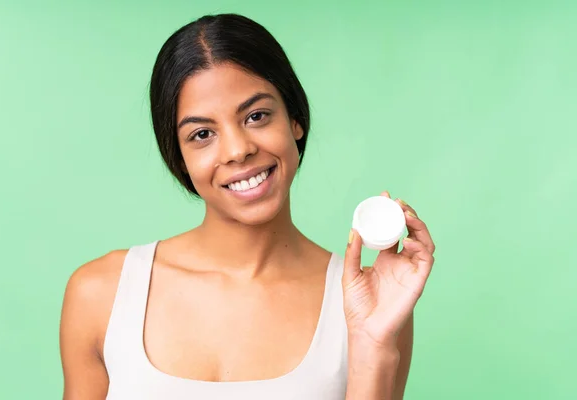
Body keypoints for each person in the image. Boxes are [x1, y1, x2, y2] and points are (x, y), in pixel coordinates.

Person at [59, 13, 435, 400]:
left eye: (256, 116)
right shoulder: (100, 293)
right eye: (202, 134)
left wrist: (373, 346)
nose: (238, 150)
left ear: (295, 120)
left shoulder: (365, 303)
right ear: (179, 155)